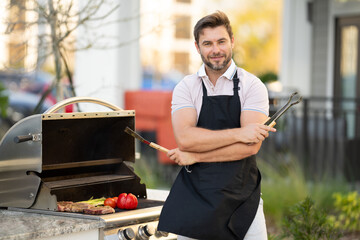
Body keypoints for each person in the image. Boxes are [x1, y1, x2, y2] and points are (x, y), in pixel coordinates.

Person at [157, 11, 276, 240]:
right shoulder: (186, 87)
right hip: (196, 199)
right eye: (208, 43)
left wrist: (197, 156)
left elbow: (250, 147)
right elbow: (185, 139)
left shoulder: (252, 86)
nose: (216, 49)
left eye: (221, 41)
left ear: (232, 41)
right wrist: (241, 133)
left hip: (242, 201)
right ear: (197, 47)